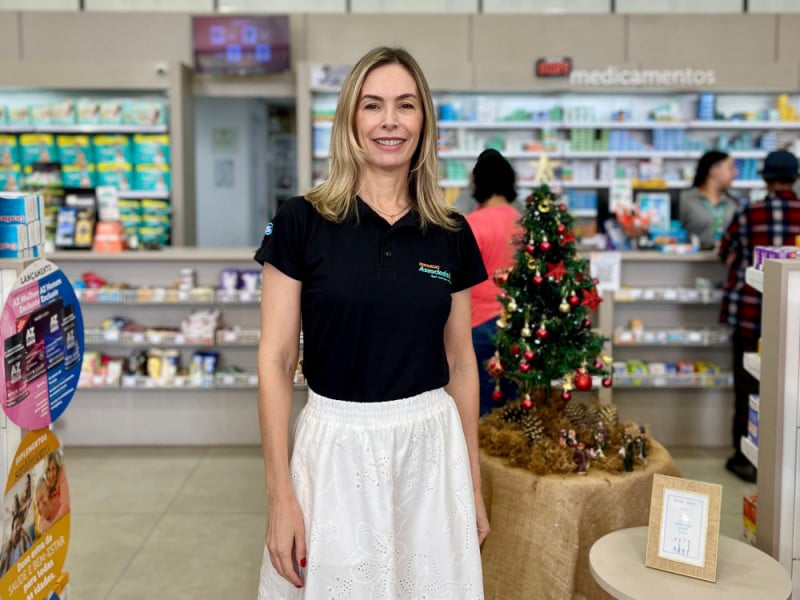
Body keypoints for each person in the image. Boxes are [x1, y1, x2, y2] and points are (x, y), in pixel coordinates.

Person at [254, 47, 489, 599]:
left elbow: (461, 364)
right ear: (350, 120)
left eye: (406, 105)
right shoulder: (301, 221)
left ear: (424, 121)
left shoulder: (451, 231)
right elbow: (276, 360)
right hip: (335, 450)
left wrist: (474, 487)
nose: (390, 121)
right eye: (373, 105)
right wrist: (280, 496)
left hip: (431, 451)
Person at [719, 149, 800, 483]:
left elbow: (724, 251)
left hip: (752, 313)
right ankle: (788, 459)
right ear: (795, 177)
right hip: (795, 316)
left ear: (765, 178)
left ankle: (746, 457)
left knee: (748, 385)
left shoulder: (748, 213)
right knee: (792, 388)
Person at [465, 149, 522, 415]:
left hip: (477, 322)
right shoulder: (524, 224)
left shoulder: (471, 225)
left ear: (478, 183)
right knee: (516, 405)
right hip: (518, 324)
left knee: (480, 404)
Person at [680, 151, 739, 249]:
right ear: (713, 170)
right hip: (692, 257)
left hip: (724, 258)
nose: (735, 173)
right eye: (730, 168)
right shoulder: (685, 199)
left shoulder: (733, 204)